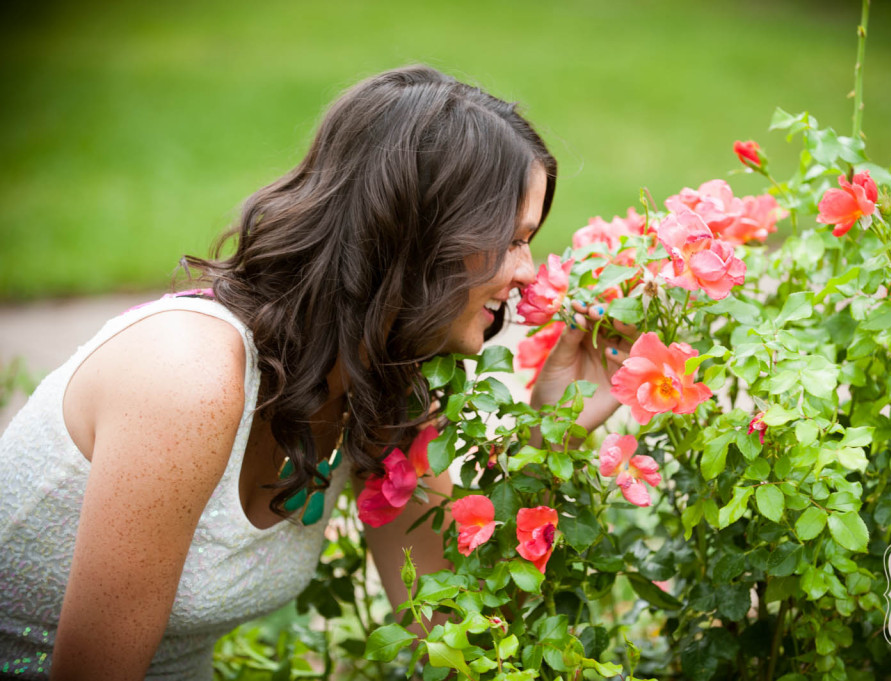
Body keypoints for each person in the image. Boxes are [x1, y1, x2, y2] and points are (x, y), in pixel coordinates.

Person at [0, 65, 629, 680]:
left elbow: (454, 635)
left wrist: (556, 425)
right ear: (416, 233)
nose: (530, 274)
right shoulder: (189, 376)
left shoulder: (377, 386)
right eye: (513, 240)